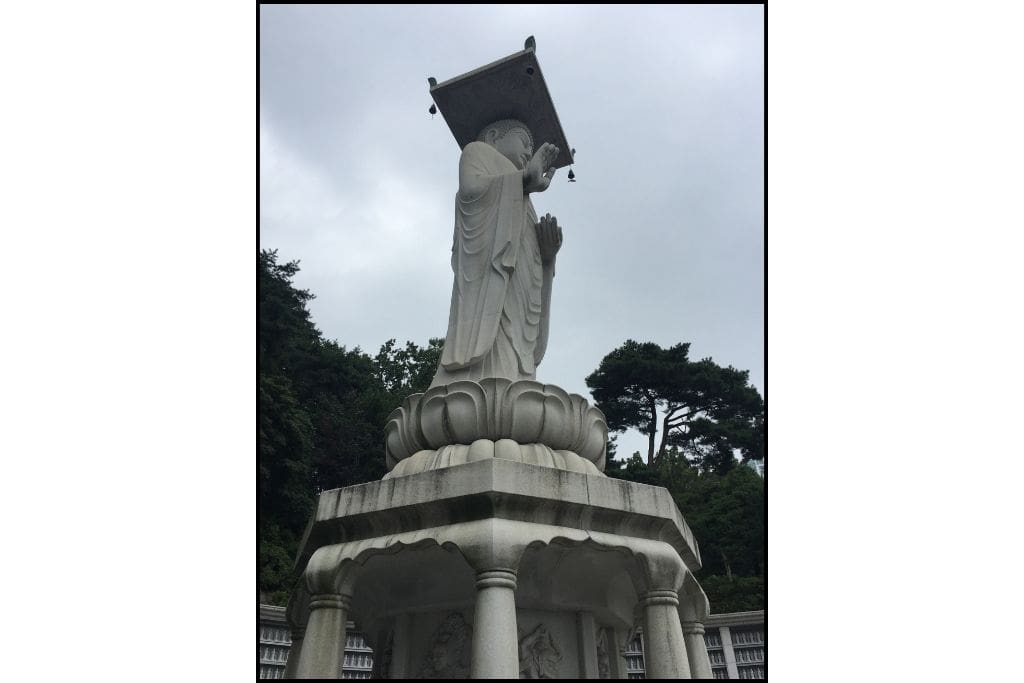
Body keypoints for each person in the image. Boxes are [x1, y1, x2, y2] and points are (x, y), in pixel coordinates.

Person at [429, 118, 563, 388]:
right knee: (497, 384)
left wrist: (547, 259)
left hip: (518, 300)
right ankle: (484, 385)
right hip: (488, 289)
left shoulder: (521, 195)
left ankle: (513, 386)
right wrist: (524, 179)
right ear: (493, 136)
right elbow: (471, 191)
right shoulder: (477, 153)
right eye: (525, 143)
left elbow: (528, 263)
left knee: (516, 369)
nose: (528, 153)